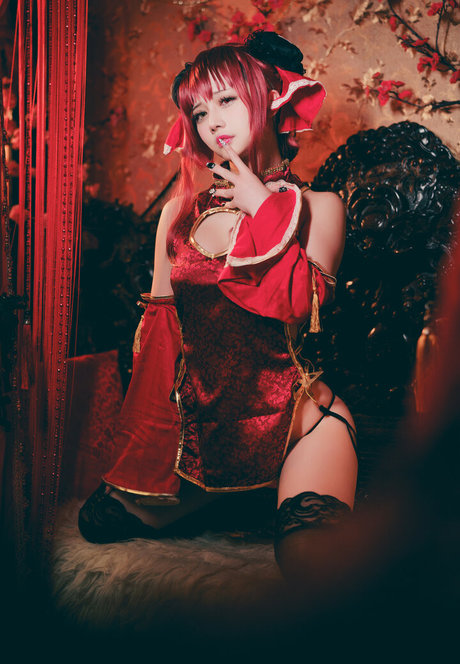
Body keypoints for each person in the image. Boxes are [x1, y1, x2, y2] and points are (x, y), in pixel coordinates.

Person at [78, 31, 358, 579]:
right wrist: (148, 459)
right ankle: (225, 495)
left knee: (312, 564)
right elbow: (160, 342)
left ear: (272, 99)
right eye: (199, 111)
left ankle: (264, 490)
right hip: (208, 439)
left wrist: (262, 207)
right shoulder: (177, 215)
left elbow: (296, 303)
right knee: (99, 519)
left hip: (300, 427)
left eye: (227, 99)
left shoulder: (320, 207)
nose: (212, 122)